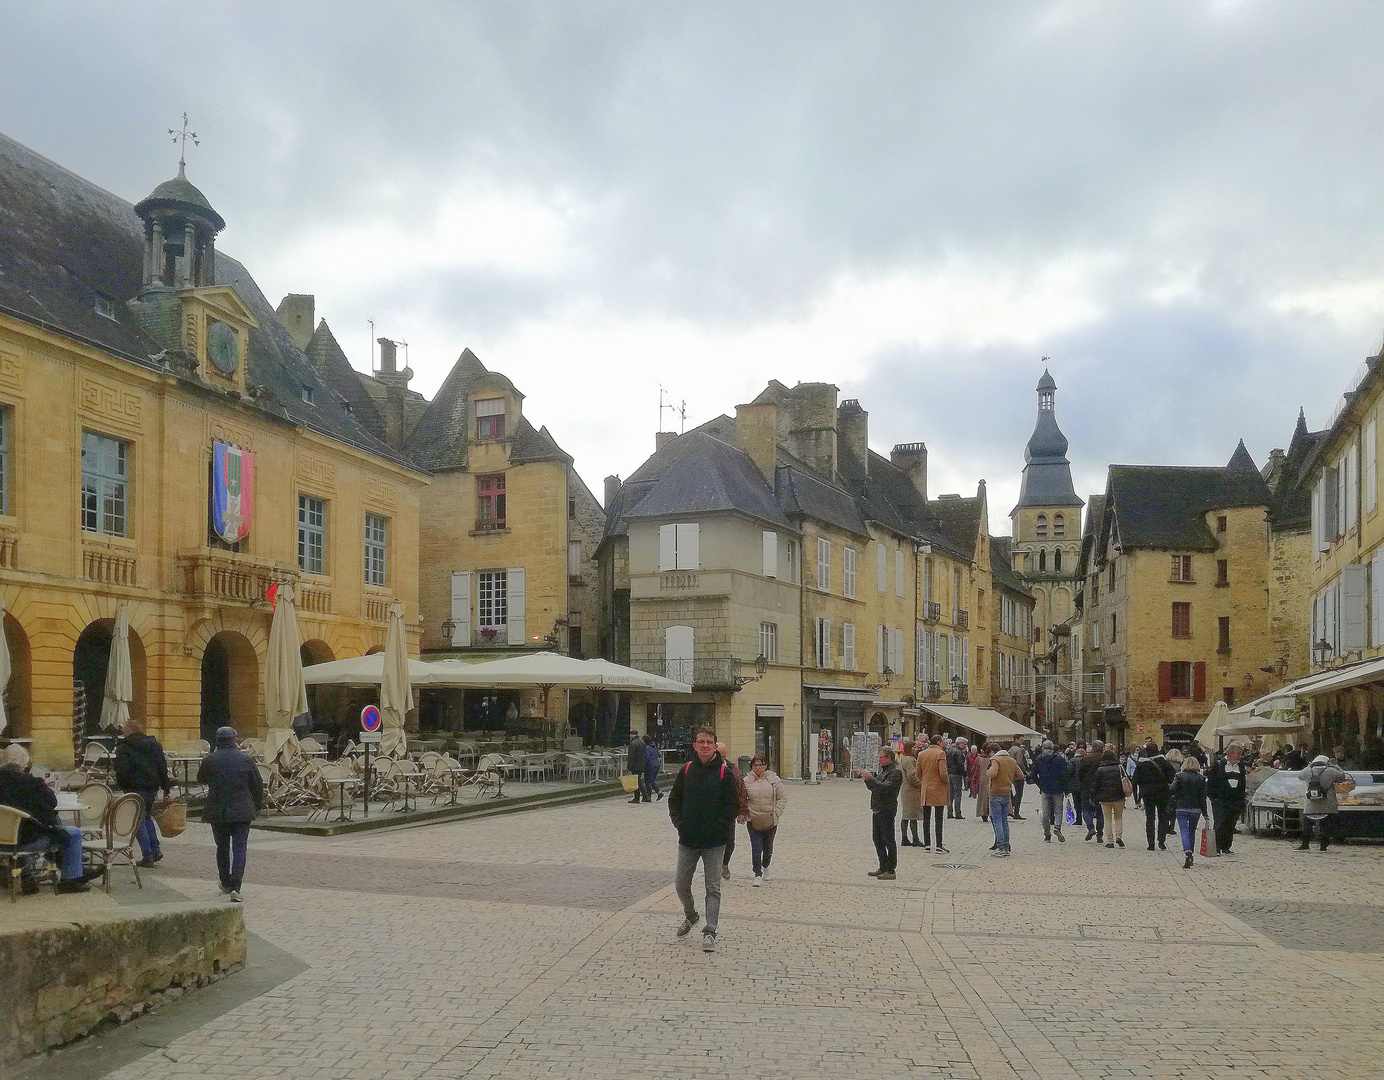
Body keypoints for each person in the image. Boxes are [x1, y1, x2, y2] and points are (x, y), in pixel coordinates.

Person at [668, 728, 742, 952]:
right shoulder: (687, 770)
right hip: (688, 840)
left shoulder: (723, 772)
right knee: (681, 884)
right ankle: (691, 915)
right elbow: (674, 800)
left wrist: (721, 829)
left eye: (710, 742)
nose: (706, 746)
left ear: (715, 746)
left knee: (713, 887)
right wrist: (680, 823)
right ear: (695, 746)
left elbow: (733, 805)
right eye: (701, 742)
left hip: (714, 842)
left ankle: (710, 930)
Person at [0, 745, 90, 892]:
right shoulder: (32, 784)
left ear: (3, 760)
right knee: (70, 834)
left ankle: (29, 875)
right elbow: (51, 804)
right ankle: (71, 879)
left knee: (51, 829)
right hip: (26, 841)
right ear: (26, 763)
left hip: (4, 841)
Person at [197, 726, 264, 901]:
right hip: (242, 810)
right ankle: (236, 886)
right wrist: (256, 805)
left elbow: (201, 779)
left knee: (222, 847)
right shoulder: (246, 759)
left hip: (217, 809)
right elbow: (257, 784)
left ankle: (225, 882)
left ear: (217, 741)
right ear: (235, 739)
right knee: (240, 847)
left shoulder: (210, 759)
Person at [113, 717, 173, 867]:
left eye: (124, 731)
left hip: (133, 788)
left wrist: (122, 786)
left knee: (138, 820)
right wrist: (166, 789)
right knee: (147, 817)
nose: (123, 734)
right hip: (152, 788)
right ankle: (156, 849)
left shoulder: (124, 747)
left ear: (129, 731)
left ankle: (148, 855)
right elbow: (162, 767)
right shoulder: (155, 745)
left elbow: (122, 770)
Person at [858, 746, 903, 880]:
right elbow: (874, 788)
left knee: (888, 840)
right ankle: (882, 866)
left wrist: (871, 778)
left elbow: (884, 788)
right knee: (877, 839)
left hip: (886, 809)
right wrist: (868, 780)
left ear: (889, 758)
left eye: (881, 757)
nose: (879, 759)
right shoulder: (883, 772)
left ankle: (891, 869)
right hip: (877, 809)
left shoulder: (895, 773)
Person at [742, 755, 786, 885]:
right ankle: (757, 873)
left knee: (768, 848)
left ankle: (766, 866)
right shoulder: (746, 781)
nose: (758, 768)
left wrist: (776, 813)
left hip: (770, 820)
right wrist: (745, 813)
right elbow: (742, 799)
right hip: (753, 820)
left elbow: (782, 797)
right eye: (755, 765)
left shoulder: (774, 780)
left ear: (766, 766)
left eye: (761, 765)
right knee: (756, 848)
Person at [1298, 754, 1352, 852]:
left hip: (1311, 803)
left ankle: (1305, 844)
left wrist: (1309, 766)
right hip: (1327, 803)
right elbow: (1342, 776)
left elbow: (1300, 776)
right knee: (1326, 825)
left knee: (1307, 824)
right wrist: (1335, 766)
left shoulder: (1307, 771)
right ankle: (1323, 846)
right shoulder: (1331, 771)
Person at [1206, 743, 1248, 855]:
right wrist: (1213, 798)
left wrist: (1241, 799)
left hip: (1235, 801)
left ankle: (1226, 846)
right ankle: (1217, 847)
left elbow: (1242, 783)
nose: (1239, 756)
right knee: (1220, 824)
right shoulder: (1219, 765)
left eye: (1240, 754)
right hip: (1221, 800)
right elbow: (1210, 783)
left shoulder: (1240, 766)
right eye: (1237, 754)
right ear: (1230, 753)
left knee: (1231, 824)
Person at [716, 742, 749, 879]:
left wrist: (742, 811)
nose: (721, 758)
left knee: (730, 841)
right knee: (714, 843)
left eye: (723, 756)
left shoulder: (732, 769)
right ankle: (715, 867)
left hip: (729, 812)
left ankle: (724, 864)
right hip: (711, 812)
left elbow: (741, 790)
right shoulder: (705, 768)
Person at [1133, 744, 1175, 851]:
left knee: (1150, 818)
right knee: (1163, 817)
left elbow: (1135, 780)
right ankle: (1161, 841)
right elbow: (1172, 778)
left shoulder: (1142, 764)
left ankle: (1150, 843)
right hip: (1163, 793)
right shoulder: (1164, 763)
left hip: (1148, 794)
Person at [1168, 757, 1208, 869]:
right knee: (1192, 831)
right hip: (1196, 809)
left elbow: (1172, 790)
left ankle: (1187, 852)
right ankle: (1191, 853)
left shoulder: (1179, 776)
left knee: (1184, 831)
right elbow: (1203, 797)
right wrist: (1205, 813)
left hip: (1181, 807)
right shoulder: (1201, 778)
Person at [916, 735, 950, 853]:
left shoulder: (922, 754)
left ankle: (927, 844)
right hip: (938, 788)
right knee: (938, 817)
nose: (944, 744)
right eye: (943, 742)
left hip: (926, 789)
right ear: (939, 742)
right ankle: (939, 844)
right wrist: (946, 782)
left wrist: (924, 781)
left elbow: (918, 773)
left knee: (926, 817)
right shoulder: (940, 754)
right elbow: (943, 772)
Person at [1031, 739, 1069, 843]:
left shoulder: (1039, 759)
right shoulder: (1060, 759)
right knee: (1058, 810)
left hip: (1045, 789)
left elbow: (1033, 775)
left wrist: (1040, 785)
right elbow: (1065, 774)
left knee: (1045, 812)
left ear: (1043, 748)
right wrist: (1066, 789)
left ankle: (1047, 834)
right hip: (1058, 788)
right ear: (1053, 748)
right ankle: (1057, 827)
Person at [985, 745, 1021, 856]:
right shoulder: (1011, 760)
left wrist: (988, 772)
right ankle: (1006, 845)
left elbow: (993, 773)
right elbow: (1020, 775)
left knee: (997, 820)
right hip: (1007, 793)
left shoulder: (995, 760)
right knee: (1004, 820)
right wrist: (1008, 778)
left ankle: (1000, 847)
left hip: (996, 792)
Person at [1093, 748, 1127, 848]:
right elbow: (1125, 779)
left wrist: (1094, 795)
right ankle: (1119, 836)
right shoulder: (1119, 767)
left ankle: (1109, 841)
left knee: (1107, 819)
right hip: (1119, 796)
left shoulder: (1100, 769)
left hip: (1105, 797)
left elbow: (1096, 785)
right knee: (1118, 817)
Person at [1075, 740, 1105, 843]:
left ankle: (1091, 827)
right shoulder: (1104, 758)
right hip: (1101, 788)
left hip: (1087, 787)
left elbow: (1080, 773)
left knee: (1086, 809)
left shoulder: (1086, 758)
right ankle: (1100, 834)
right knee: (1100, 812)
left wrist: (1082, 782)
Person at [898, 740, 922, 846]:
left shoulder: (904, 759)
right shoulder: (909, 760)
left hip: (906, 790)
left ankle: (906, 838)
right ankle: (913, 838)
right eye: (915, 747)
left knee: (908, 815)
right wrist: (920, 784)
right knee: (911, 815)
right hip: (911, 791)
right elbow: (912, 775)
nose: (917, 749)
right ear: (910, 749)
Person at [946, 737, 968, 818]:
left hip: (949, 774)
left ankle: (949, 812)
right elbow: (961, 765)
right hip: (957, 774)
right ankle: (957, 813)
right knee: (957, 794)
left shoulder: (949, 751)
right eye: (964, 744)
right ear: (960, 743)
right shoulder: (959, 753)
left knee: (950, 794)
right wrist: (965, 775)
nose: (965, 746)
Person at [1008, 738, 1031, 819]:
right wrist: (1025, 772)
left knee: (1014, 792)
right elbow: (1020, 762)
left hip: (1011, 773)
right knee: (1019, 793)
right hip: (1018, 773)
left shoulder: (1010, 750)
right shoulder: (1019, 750)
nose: (1022, 741)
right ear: (1016, 739)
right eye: (1021, 740)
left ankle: (1010, 807)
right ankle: (1016, 812)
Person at [627, 732, 648, 804]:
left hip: (635, 765)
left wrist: (629, 767)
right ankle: (645, 796)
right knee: (639, 780)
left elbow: (631, 757)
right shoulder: (642, 742)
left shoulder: (633, 744)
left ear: (631, 735)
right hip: (641, 764)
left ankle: (637, 797)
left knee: (635, 781)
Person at [973, 743, 992, 821]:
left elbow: (975, 771)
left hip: (982, 779)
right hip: (990, 778)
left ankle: (983, 813)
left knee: (982, 797)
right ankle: (991, 812)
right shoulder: (992, 759)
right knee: (990, 797)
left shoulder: (978, 758)